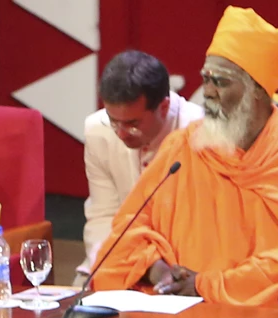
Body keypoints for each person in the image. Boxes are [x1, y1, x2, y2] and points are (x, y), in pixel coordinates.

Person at [92, 6, 278, 307]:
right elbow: (129, 228)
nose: (207, 92)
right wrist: (159, 271)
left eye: (220, 82)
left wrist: (207, 286)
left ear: (257, 91)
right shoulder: (184, 146)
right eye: (206, 79)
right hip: (172, 312)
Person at [74, 51, 203, 287]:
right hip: (121, 257)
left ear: (163, 107)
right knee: (74, 305)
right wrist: (144, 265)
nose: (121, 133)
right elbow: (103, 216)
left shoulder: (199, 132)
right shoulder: (97, 130)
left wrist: (168, 271)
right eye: (114, 121)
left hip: (183, 265)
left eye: (132, 124)